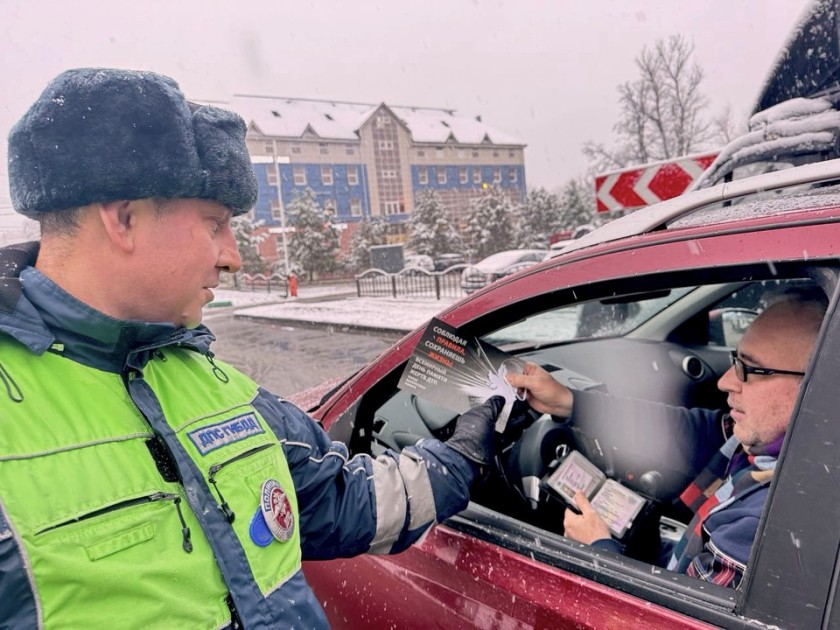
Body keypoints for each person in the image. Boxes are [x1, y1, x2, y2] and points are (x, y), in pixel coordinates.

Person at [0, 68, 506, 628]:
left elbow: (338, 501)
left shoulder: (215, 385)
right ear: (124, 218)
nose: (234, 256)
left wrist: (458, 458)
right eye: (215, 223)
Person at [506, 290, 826, 588]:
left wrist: (598, 551)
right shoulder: (779, 447)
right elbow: (687, 431)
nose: (727, 382)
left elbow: (661, 620)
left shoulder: (765, 529)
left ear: (817, 385)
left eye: (751, 369)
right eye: (735, 360)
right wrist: (570, 402)